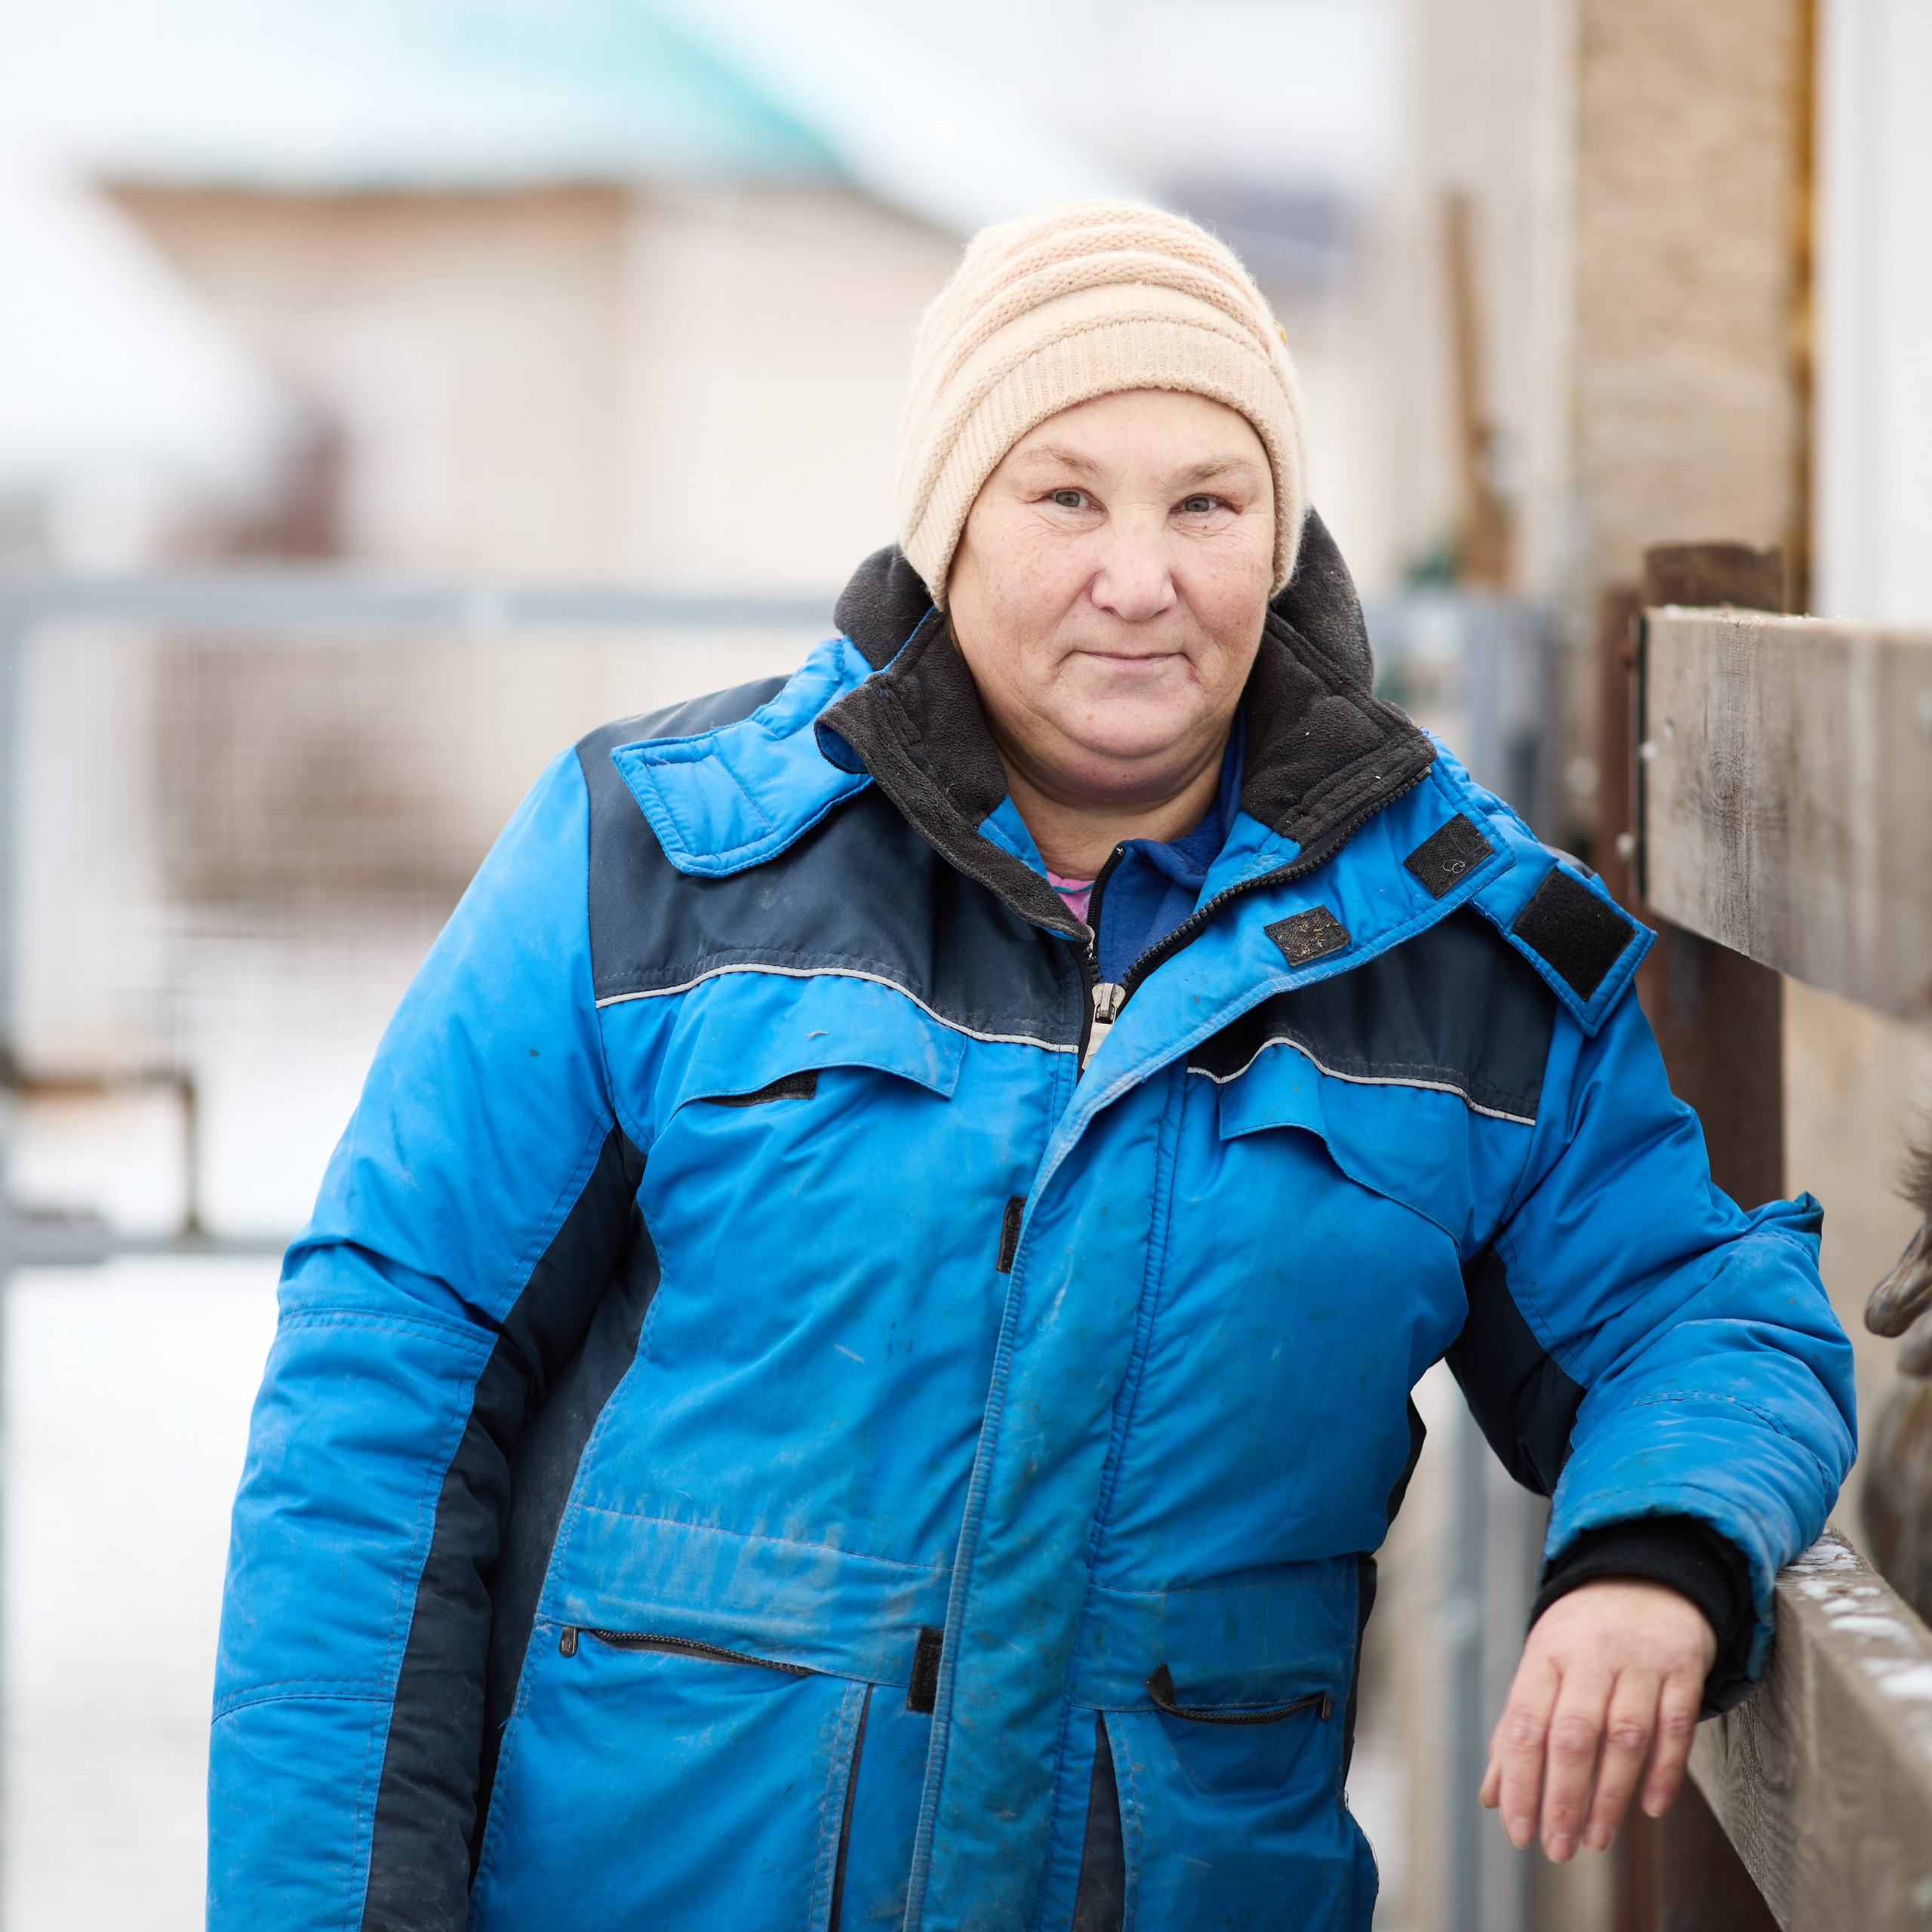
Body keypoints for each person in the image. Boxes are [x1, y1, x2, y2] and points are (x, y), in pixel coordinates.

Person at [208, 201, 1854, 1932]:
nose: (1137, 578)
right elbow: (384, 1384)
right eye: (1064, 494)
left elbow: (1699, 1309)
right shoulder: (653, 863)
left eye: (1206, 502)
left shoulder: (1460, 956)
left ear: (1277, 535)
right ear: (946, 525)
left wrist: (1652, 1560)